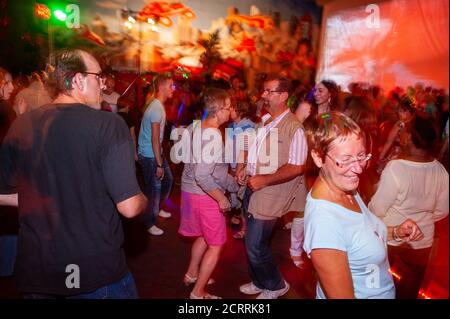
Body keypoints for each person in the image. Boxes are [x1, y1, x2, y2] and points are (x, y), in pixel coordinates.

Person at [0, 49, 147, 298]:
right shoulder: (109, 125)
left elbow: (3, 194)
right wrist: (143, 198)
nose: (103, 84)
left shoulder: (21, 124)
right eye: (98, 77)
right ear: (78, 80)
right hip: (93, 271)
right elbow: (130, 207)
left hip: (39, 270)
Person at [303, 111, 423, 299]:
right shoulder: (324, 223)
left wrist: (395, 232)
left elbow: (358, 235)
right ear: (318, 158)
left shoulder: (345, 187)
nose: (358, 168)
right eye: (346, 160)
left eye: (361, 157)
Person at [237, 76, 307, 299]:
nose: (263, 96)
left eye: (269, 92)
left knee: (255, 246)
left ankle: (276, 285)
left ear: (284, 96)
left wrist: (264, 180)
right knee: (256, 243)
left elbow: (297, 167)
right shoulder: (266, 120)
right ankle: (260, 281)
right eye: (264, 91)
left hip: (270, 193)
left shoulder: (294, 128)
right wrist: (244, 168)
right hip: (254, 187)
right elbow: (256, 150)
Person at [369, 115, 449, 299]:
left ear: (408, 138)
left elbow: (377, 209)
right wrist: (423, 217)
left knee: (380, 287)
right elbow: (443, 210)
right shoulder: (440, 171)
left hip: (391, 239)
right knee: (409, 291)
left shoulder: (396, 168)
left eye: (404, 130)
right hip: (422, 241)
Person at [178, 88, 238, 299]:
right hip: (206, 196)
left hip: (190, 192)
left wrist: (229, 182)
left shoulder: (196, 127)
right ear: (219, 109)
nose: (231, 111)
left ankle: (192, 273)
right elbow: (203, 175)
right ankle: (198, 292)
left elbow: (190, 166)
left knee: (205, 236)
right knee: (217, 243)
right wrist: (222, 197)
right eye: (229, 107)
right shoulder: (213, 135)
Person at [138, 74, 175, 236]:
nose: (173, 89)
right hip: (150, 155)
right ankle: (149, 222)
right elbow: (154, 139)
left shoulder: (157, 105)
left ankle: (156, 209)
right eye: (171, 86)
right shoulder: (156, 109)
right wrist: (159, 164)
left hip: (155, 152)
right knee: (154, 189)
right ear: (161, 87)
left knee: (169, 180)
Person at [288, 97, 313, 268]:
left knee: (301, 212)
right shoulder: (287, 125)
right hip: (283, 175)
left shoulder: (308, 129)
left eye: (310, 109)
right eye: (305, 108)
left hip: (300, 177)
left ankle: (295, 251)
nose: (308, 111)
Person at [227, 100, 256, 239]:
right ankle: (238, 217)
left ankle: (245, 230)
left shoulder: (248, 128)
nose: (228, 111)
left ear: (239, 111)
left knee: (244, 199)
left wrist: (238, 170)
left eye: (230, 109)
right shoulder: (233, 125)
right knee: (237, 196)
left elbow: (245, 152)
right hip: (234, 166)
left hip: (243, 169)